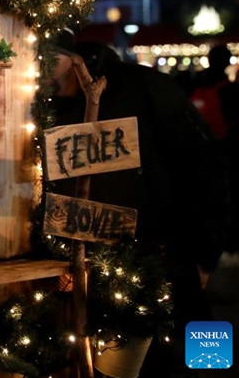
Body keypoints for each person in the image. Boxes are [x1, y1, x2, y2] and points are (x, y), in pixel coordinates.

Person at [48, 35, 232, 375]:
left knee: (207, 357)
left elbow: (208, 166)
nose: (39, 69)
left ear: (71, 56)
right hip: (97, 275)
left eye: (46, 58)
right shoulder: (42, 106)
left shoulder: (146, 87)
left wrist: (207, 254)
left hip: (171, 258)